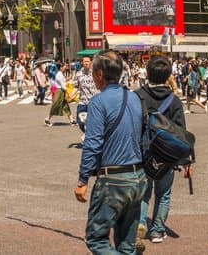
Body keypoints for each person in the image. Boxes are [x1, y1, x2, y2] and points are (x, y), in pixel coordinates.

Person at [75, 52, 145, 255]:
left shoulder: (98, 101)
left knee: (96, 239)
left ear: (99, 73)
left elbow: (93, 144)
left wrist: (82, 180)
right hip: (138, 175)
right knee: (126, 242)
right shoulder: (133, 97)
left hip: (113, 178)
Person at [136, 56, 192, 245]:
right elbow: (181, 132)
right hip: (166, 156)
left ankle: (140, 225)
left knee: (143, 193)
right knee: (163, 193)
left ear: (147, 72)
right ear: (169, 75)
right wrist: (186, 162)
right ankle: (158, 230)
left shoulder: (138, 95)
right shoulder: (174, 100)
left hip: (142, 153)